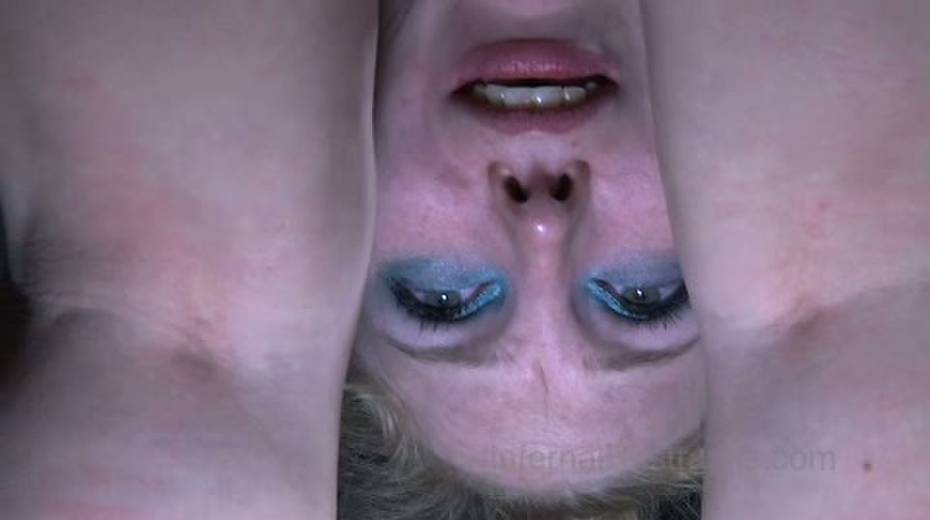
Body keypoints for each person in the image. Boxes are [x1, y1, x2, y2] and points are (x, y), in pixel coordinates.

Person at [0, 2, 927, 520]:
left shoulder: (216, 283)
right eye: (647, 295)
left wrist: (195, 344)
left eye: (443, 299)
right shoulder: (821, 258)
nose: (543, 227)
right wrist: (829, 315)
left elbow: (194, 342)